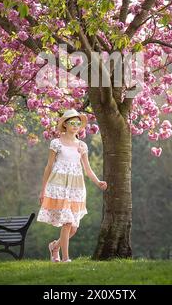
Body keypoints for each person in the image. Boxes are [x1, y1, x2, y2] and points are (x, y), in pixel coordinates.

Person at [37, 108, 108, 262]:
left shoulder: (82, 145)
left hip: (76, 187)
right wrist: (43, 190)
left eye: (78, 123)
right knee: (67, 223)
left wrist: (98, 182)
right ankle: (65, 259)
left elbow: (88, 169)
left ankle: (55, 247)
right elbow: (48, 167)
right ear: (65, 125)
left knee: (73, 227)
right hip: (59, 185)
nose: (75, 125)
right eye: (72, 123)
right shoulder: (56, 143)